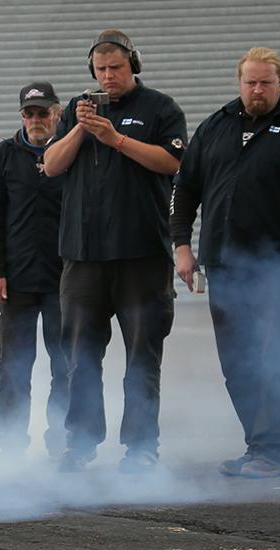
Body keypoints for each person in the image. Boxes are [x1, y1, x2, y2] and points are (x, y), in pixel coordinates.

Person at [43, 29, 187, 474]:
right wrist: (83, 131)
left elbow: (174, 163)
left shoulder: (161, 109)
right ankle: (81, 444)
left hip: (142, 256)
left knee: (142, 357)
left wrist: (116, 139)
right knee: (80, 358)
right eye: (101, 69)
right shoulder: (77, 111)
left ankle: (141, 450)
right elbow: (50, 165)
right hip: (84, 259)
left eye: (116, 68)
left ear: (133, 67)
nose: (108, 77)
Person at [170, 47, 280, 478]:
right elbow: (185, 188)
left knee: (276, 358)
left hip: (279, 267)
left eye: (266, 82)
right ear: (239, 82)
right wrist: (182, 246)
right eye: (250, 82)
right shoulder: (216, 126)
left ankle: (274, 450)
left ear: (279, 83)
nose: (258, 90)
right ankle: (257, 445)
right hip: (224, 264)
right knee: (237, 361)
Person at [0, 82, 67, 461]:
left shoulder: (70, 152)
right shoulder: (4, 155)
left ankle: (62, 441)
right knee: (14, 371)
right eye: (29, 113)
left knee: (66, 366)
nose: (36, 120)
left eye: (42, 113)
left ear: (57, 113)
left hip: (65, 280)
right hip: (16, 283)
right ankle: (11, 447)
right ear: (21, 116)